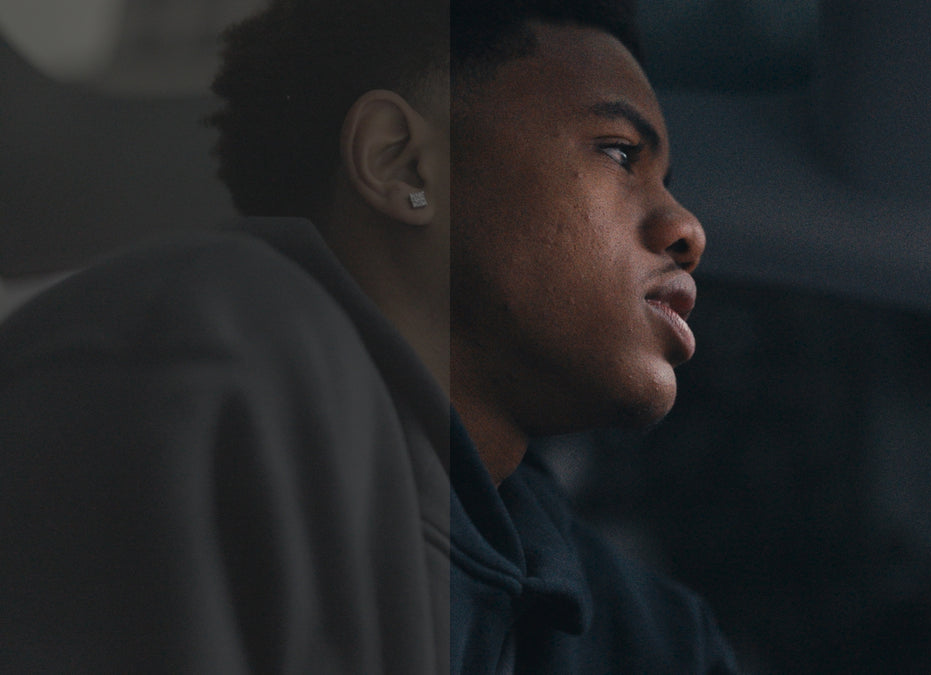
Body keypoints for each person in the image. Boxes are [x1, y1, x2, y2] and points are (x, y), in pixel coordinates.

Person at [0, 0, 737, 672]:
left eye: (667, 181)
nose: (688, 229)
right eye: (619, 153)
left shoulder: (656, 636)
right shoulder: (190, 368)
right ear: (402, 162)